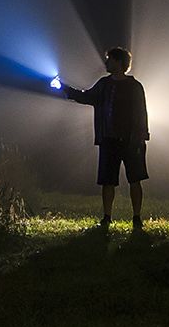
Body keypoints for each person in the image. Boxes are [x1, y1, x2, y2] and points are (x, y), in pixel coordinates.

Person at [57, 46, 150, 230]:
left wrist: (141, 136)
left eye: (109, 59)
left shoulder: (131, 86)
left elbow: (141, 113)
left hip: (131, 141)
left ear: (118, 62)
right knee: (111, 180)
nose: (106, 63)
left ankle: (134, 217)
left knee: (133, 179)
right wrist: (66, 89)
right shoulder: (106, 85)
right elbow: (86, 97)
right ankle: (112, 217)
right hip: (111, 139)